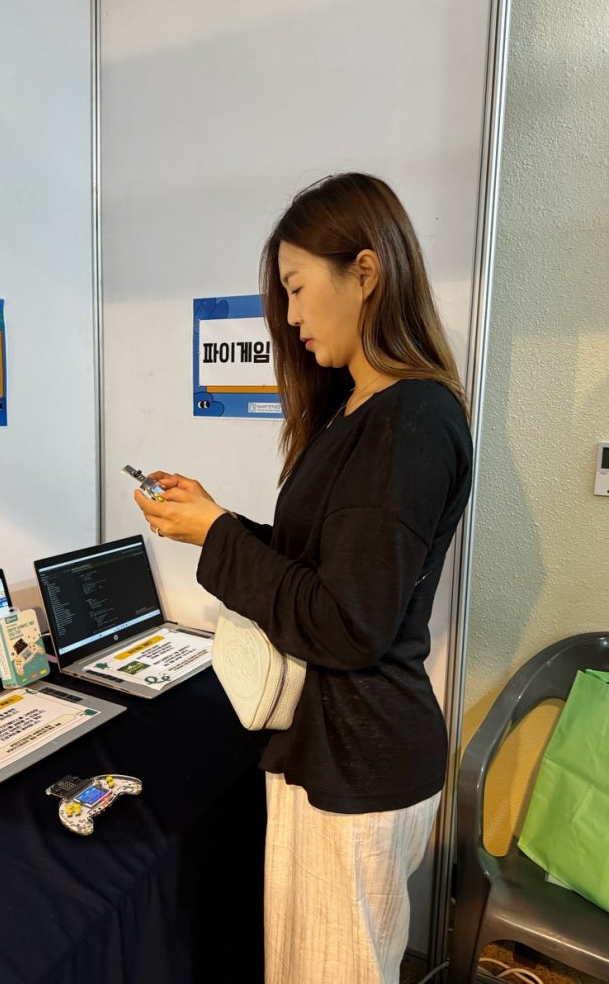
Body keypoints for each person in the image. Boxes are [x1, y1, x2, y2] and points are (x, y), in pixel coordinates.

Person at [133, 172, 473, 984]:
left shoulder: (410, 419)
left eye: (294, 287)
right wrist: (214, 520)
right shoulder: (354, 411)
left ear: (365, 272)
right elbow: (314, 563)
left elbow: (346, 624)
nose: (287, 316)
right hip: (327, 749)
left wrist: (215, 535)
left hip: (356, 759)